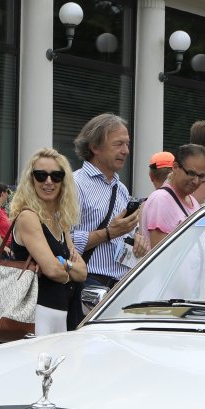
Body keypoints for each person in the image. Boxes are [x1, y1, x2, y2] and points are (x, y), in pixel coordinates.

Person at [69, 114, 145, 330]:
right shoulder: (75, 184)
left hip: (119, 287)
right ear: (95, 147)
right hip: (87, 286)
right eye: (118, 144)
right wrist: (109, 233)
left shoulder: (121, 189)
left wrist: (138, 240)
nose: (126, 150)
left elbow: (126, 234)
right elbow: (64, 241)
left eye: (127, 144)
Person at [7, 149, 86, 336]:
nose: (48, 181)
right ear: (31, 179)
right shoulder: (28, 217)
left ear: (64, 181)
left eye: (56, 176)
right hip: (35, 314)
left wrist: (62, 265)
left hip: (61, 312)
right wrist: (68, 269)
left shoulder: (61, 221)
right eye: (41, 175)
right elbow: (52, 271)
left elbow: (83, 272)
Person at [142, 144, 205, 249]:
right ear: (175, 167)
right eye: (191, 173)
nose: (196, 181)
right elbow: (161, 253)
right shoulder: (161, 200)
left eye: (201, 176)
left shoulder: (193, 201)